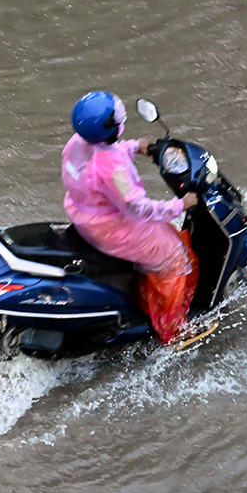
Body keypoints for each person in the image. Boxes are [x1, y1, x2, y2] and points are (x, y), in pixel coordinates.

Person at [62, 90, 199, 343]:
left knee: (166, 231)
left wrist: (135, 146)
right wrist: (180, 205)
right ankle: (172, 331)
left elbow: (101, 155)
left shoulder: (77, 143)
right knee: (175, 258)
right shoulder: (114, 169)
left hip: (87, 217)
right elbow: (137, 207)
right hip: (114, 228)